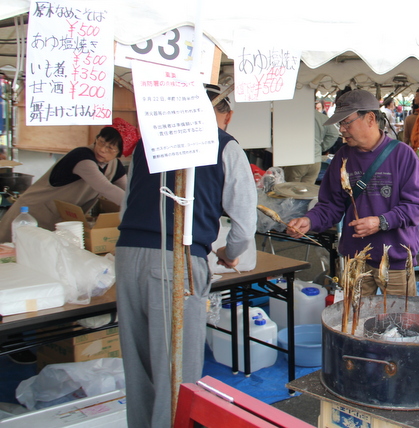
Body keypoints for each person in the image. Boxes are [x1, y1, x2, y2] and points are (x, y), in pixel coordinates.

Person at [115, 84, 257, 428]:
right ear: (224, 113)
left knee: (138, 367)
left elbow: (125, 206)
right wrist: (229, 253)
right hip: (174, 260)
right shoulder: (225, 145)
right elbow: (244, 221)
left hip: (127, 254)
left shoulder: (148, 143)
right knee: (178, 372)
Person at [287, 89, 419, 296]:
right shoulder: (342, 157)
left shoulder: (402, 154)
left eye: (347, 122)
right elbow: (330, 205)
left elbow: (416, 206)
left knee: (399, 321)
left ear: (370, 118)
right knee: (355, 321)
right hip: (355, 258)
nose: (342, 130)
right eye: (340, 124)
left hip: (395, 259)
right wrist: (309, 221)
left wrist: (380, 222)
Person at [0, 126, 128, 242]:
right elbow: (106, 188)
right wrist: (136, 207)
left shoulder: (114, 165)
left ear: (119, 153)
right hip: (31, 214)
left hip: (58, 221)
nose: (102, 149)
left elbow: (128, 190)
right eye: (101, 142)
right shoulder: (82, 157)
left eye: (110, 148)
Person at [283, 109, 340, 184]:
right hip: (315, 160)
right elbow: (334, 134)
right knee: (308, 191)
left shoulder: (293, 115)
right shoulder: (322, 117)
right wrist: (322, 147)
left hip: (297, 159)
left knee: (291, 190)